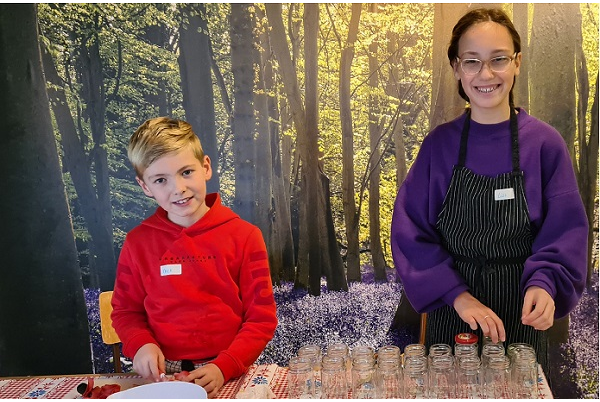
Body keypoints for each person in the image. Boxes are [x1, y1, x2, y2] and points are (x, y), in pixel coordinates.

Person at [390, 7, 587, 371]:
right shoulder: (438, 146)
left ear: (517, 62)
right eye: (472, 61)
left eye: (498, 59)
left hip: (522, 317)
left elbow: (565, 233)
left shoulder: (545, 145)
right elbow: (410, 233)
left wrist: (544, 284)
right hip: (451, 317)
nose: (486, 74)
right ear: (456, 68)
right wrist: (457, 296)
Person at [111, 117, 278, 398]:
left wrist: (225, 366)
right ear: (145, 186)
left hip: (229, 370)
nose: (178, 188)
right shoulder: (137, 242)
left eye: (186, 172)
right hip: (162, 376)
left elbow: (261, 319)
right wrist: (140, 344)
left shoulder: (245, 236)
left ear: (206, 167)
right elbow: (125, 312)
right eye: (161, 180)